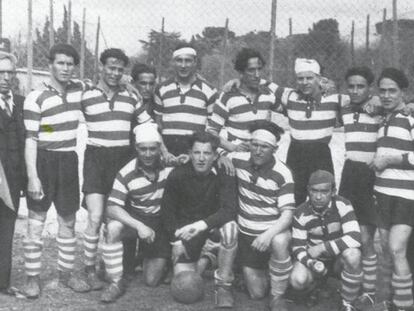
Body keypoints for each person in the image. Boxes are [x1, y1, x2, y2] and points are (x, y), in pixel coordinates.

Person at [80, 48, 152, 290]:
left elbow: (148, 126)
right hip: (96, 159)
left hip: (123, 160)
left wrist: (163, 153)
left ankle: (113, 270)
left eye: (120, 70)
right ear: (101, 67)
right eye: (111, 68)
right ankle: (89, 269)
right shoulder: (85, 94)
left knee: (117, 220)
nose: (115, 73)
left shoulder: (131, 96)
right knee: (95, 215)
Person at [22, 43, 89, 298]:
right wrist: (32, 177)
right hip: (43, 161)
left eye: (70, 64)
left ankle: (67, 274)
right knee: (36, 221)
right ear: (50, 64)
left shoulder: (79, 90)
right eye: (60, 63)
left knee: (68, 221)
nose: (65, 68)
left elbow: (104, 88)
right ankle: (32, 278)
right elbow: (32, 138)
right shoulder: (35, 97)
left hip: (68, 161)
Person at [161, 131, 238, 308]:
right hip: (187, 232)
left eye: (207, 153)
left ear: (215, 155)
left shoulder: (224, 172)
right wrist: (176, 242)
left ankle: (223, 285)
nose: (201, 158)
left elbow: (229, 209)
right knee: (186, 285)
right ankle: (208, 258)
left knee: (231, 227)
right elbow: (167, 212)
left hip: (211, 228)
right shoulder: (177, 174)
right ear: (189, 153)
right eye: (197, 153)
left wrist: (202, 225)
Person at [100, 122, 173, 303]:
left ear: (159, 148)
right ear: (136, 148)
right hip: (137, 219)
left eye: (152, 149)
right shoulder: (126, 172)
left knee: (151, 280)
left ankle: (142, 258)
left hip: (160, 222)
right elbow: (112, 207)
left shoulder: (169, 167)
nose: (148, 154)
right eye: (143, 149)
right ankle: (116, 281)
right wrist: (139, 226)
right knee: (114, 227)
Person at [226, 121, 295, 311]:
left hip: (269, 235)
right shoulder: (238, 159)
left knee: (280, 241)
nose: (257, 151)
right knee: (256, 294)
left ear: (275, 149)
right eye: (254, 145)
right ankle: (267, 272)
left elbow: (287, 215)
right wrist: (222, 157)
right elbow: (216, 152)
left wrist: (267, 235)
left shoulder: (283, 173)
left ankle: (278, 296)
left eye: (264, 147)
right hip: (247, 237)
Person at [369, 68, 414, 311]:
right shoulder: (383, 118)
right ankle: (386, 302)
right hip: (383, 193)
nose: (386, 95)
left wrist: (391, 160)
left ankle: (405, 306)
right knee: (385, 249)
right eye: (382, 90)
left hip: (407, 196)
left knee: (397, 248)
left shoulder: (411, 117)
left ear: (403, 92)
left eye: (392, 91)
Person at [338, 66, 382, 308]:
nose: (355, 91)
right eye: (351, 86)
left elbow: (401, 105)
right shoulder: (343, 107)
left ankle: (370, 290)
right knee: (347, 233)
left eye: (361, 86)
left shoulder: (379, 107)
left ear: (370, 88)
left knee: (366, 237)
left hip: (370, 175)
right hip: (349, 173)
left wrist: (378, 101)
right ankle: (349, 287)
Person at [290, 170, 362, 311]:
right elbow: (298, 248)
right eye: (314, 191)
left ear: (333, 191)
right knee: (297, 280)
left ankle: (348, 303)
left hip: (337, 259)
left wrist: (322, 247)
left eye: (324, 192)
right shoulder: (300, 212)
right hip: (315, 261)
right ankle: (316, 286)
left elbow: (355, 237)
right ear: (308, 190)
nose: (318, 197)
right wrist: (311, 263)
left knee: (353, 255)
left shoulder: (343, 204)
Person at [207, 48, 282, 153]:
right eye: (251, 70)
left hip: (259, 154)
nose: (257, 75)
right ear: (241, 72)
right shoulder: (228, 96)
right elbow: (211, 132)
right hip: (235, 155)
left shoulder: (268, 94)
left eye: (259, 69)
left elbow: (288, 109)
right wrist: (233, 147)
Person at [154, 43, 218, 156]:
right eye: (179, 60)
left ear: (195, 62)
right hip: (168, 154)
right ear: (173, 62)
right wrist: (164, 152)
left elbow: (212, 128)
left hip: (195, 155)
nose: (183, 65)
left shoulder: (210, 90)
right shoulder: (161, 89)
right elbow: (157, 125)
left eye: (188, 61)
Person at [0, 51, 26, 296]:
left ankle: (3, 282)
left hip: (14, 179)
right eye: (1, 73)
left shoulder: (20, 102)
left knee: (7, 229)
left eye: (10, 72)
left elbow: (28, 138)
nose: (6, 78)